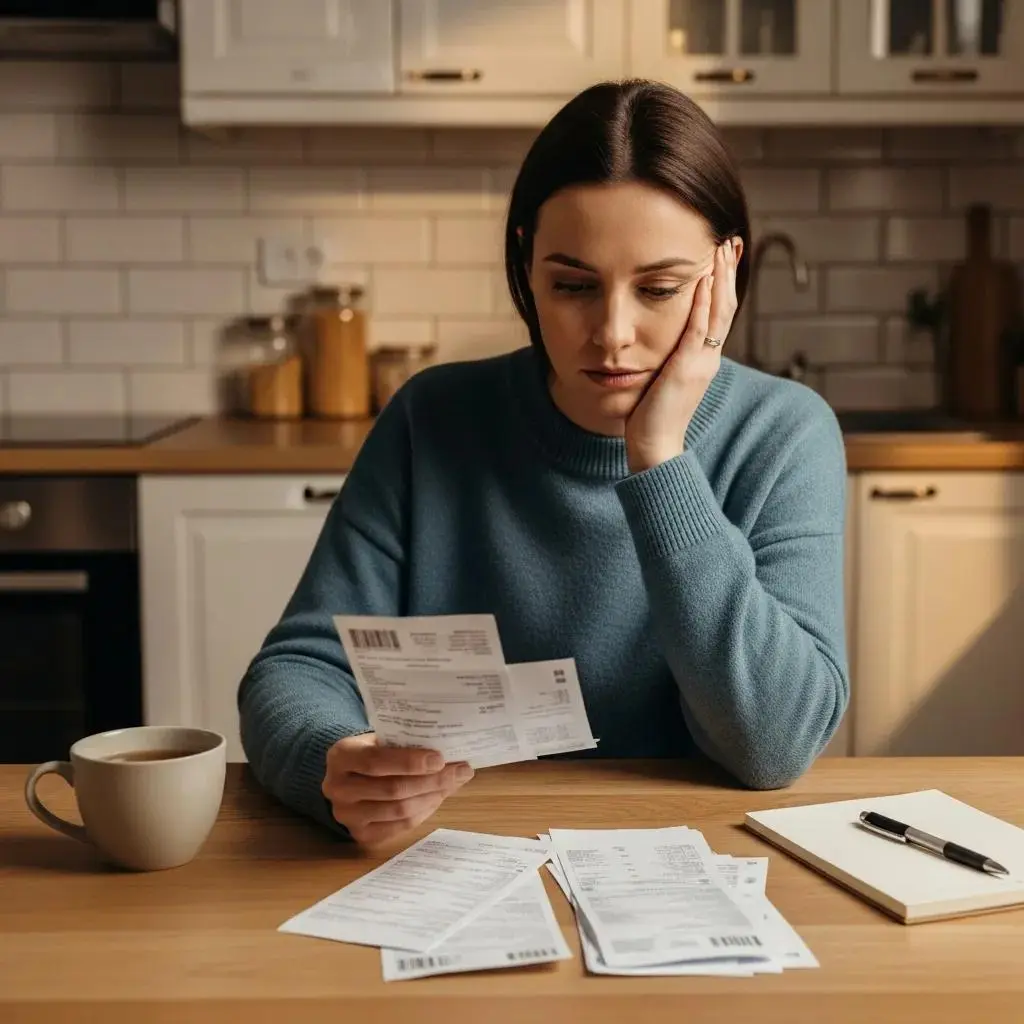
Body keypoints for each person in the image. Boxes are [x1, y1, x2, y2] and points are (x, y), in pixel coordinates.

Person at [238, 79, 849, 847]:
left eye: (659, 288)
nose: (613, 333)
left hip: (688, 857)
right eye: (573, 286)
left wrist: (659, 459)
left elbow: (777, 745)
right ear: (527, 263)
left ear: (726, 270)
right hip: (458, 850)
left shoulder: (785, 433)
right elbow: (296, 669)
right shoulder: (433, 419)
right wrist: (333, 759)